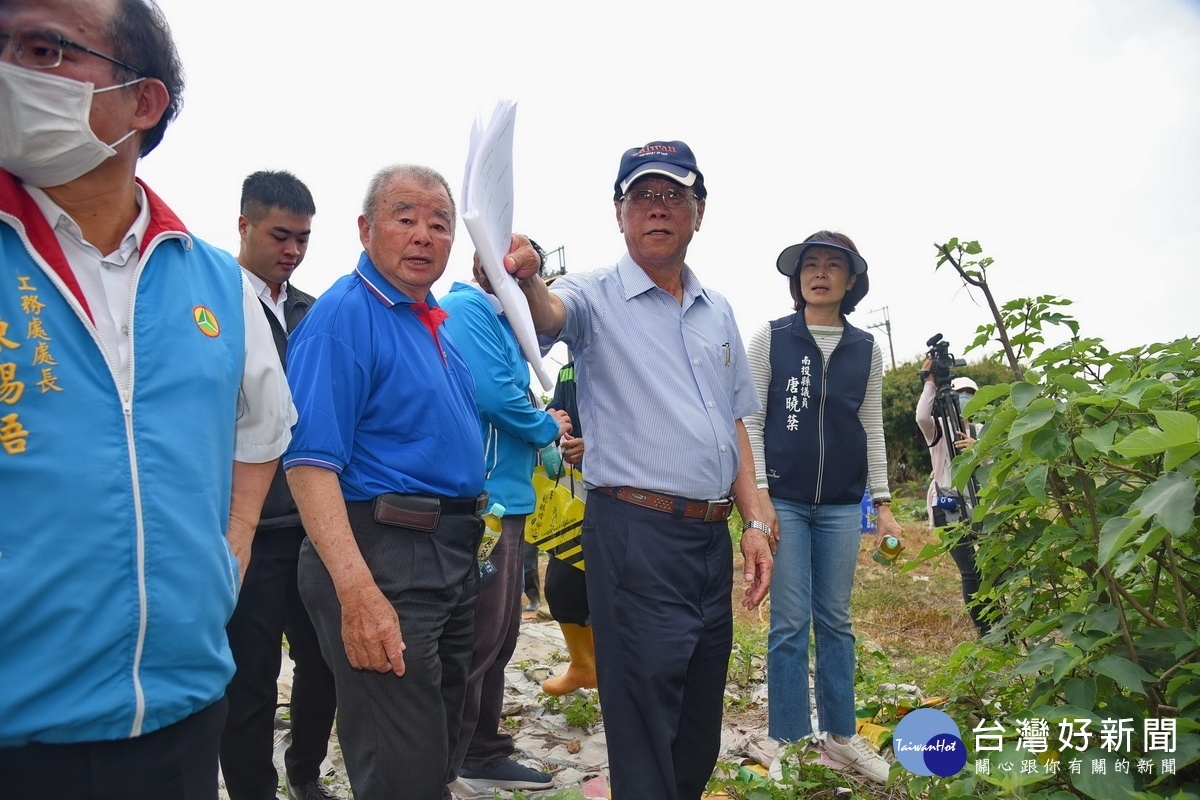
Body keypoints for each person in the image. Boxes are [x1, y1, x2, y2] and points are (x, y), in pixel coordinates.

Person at [0, 2, 294, 798]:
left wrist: (228, 546)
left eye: (44, 47)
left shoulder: (217, 285)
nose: (12, 66)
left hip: (178, 713)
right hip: (18, 731)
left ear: (143, 100)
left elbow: (263, 430)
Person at [491, 140, 774, 800]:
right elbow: (547, 313)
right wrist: (525, 276)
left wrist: (756, 520)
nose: (657, 209)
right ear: (619, 214)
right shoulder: (592, 294)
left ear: (698, 212)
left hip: (710, 537)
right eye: (641, 196)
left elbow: (734, 425)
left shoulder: (718, 310)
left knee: (699, 716)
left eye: (673, 195)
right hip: (634, 532)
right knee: (644, 714)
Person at [282, 164, 542, 800]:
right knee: (398, 763)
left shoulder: (433, 320)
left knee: (432, 749)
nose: (423, 235)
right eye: (405, 218)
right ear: (367, 228)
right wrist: (357, 591)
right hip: (383, 552)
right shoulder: (346, 315)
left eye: (439, 223)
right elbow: (309, 464)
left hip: (447, 553)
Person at [744, 231, 900, 785]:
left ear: (851, 280)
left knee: (835, 619)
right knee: (789, 622)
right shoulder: (772, 338)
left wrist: (881, 503)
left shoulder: (865, 349)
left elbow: (872, 425)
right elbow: (753, 420)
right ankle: (787, 738)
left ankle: (841, 734)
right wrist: (760, 498)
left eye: (833, 265)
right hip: (783, 499)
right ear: (797, 278)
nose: (820, 273)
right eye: (810, 264)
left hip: (838, 505)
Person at [220, 171, 337, 800]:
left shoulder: (311, 314)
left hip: (313, 525)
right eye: (280, 235)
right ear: (245, 226)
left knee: (323, 666)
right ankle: (250, 789)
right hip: (249, 527)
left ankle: (305, 774)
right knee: (250, 678)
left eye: (303, 239)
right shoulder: (212, 307)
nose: (292, 250)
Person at [439, 280, 569, 793]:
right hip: (485, 501)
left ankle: (481, 750)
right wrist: (545, 425)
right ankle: (444, 765)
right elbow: (494, 397)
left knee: (498, 635)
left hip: (508, 500)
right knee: (473, 638)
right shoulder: (468, 308)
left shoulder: (506, 329)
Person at [916, 369, 989, 635]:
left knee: (990, 569)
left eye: (971, 395)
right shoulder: (938, 429)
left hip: (980, 507)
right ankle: (984, 629)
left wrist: (980, 448)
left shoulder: (982, 432)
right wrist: (930, 382)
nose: (965, 399)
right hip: (949, 508)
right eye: (960, 394)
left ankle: (999, 622)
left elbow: (997, 464)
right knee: (970, 571)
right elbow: (922, 416)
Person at [539, 358, 597, 697]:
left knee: (621, 589)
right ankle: (584, 666)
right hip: (576, 492)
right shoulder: (569, 369)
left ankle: (620, 671)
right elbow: (559, 412)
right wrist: (552, 427)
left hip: (629, 490)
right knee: (563, 585)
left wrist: (598, 443)